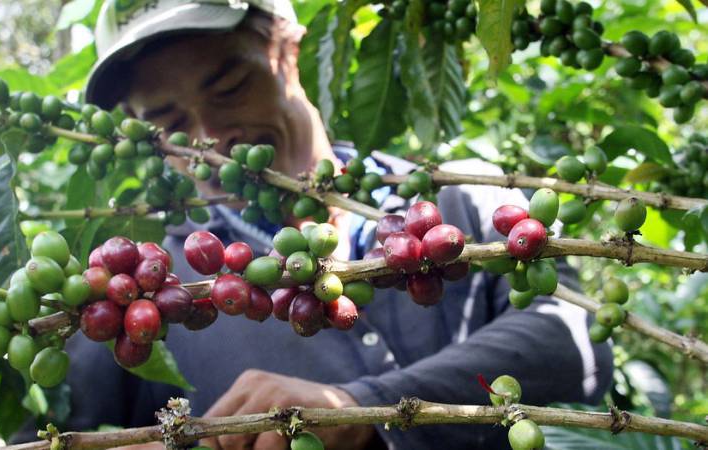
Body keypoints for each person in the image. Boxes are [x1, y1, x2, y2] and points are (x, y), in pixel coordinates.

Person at [44, 0, 614, 448]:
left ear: (290, 54)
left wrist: (362, 405)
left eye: (229, 88)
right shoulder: (154, 296)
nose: (210, 140)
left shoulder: (463, 199)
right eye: (168, 124)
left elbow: (575, 341)